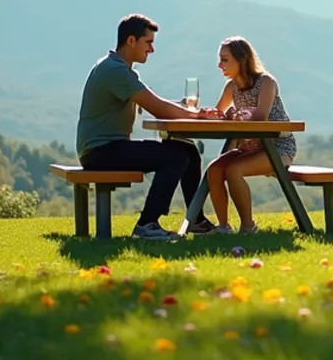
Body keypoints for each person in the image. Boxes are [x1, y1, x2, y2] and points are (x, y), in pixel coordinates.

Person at [77, 14, 220, 240]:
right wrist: (198, 114)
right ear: (131, 41)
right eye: (149, 42)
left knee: (188, 151)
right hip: (101, 152)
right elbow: (158, 108)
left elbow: (154, 101)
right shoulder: (115, 70)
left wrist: (186, 110)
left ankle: (196, 220)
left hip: (106, 148)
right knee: (175, 157)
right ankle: (147, 224)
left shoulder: (118, 68)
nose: (151, 50)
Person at [202, 36, 297, 234]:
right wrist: (216, 116)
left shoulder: (266, 82)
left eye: (225, 59)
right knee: (214, 169)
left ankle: (247, 227)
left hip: (278, 147)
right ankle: (223, 227)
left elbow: (261, 115)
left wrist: (238, 116)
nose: (220, 65)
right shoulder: (231, 87)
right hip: (249, 148)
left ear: (242, 59)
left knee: (234, 170)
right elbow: (219, 114)